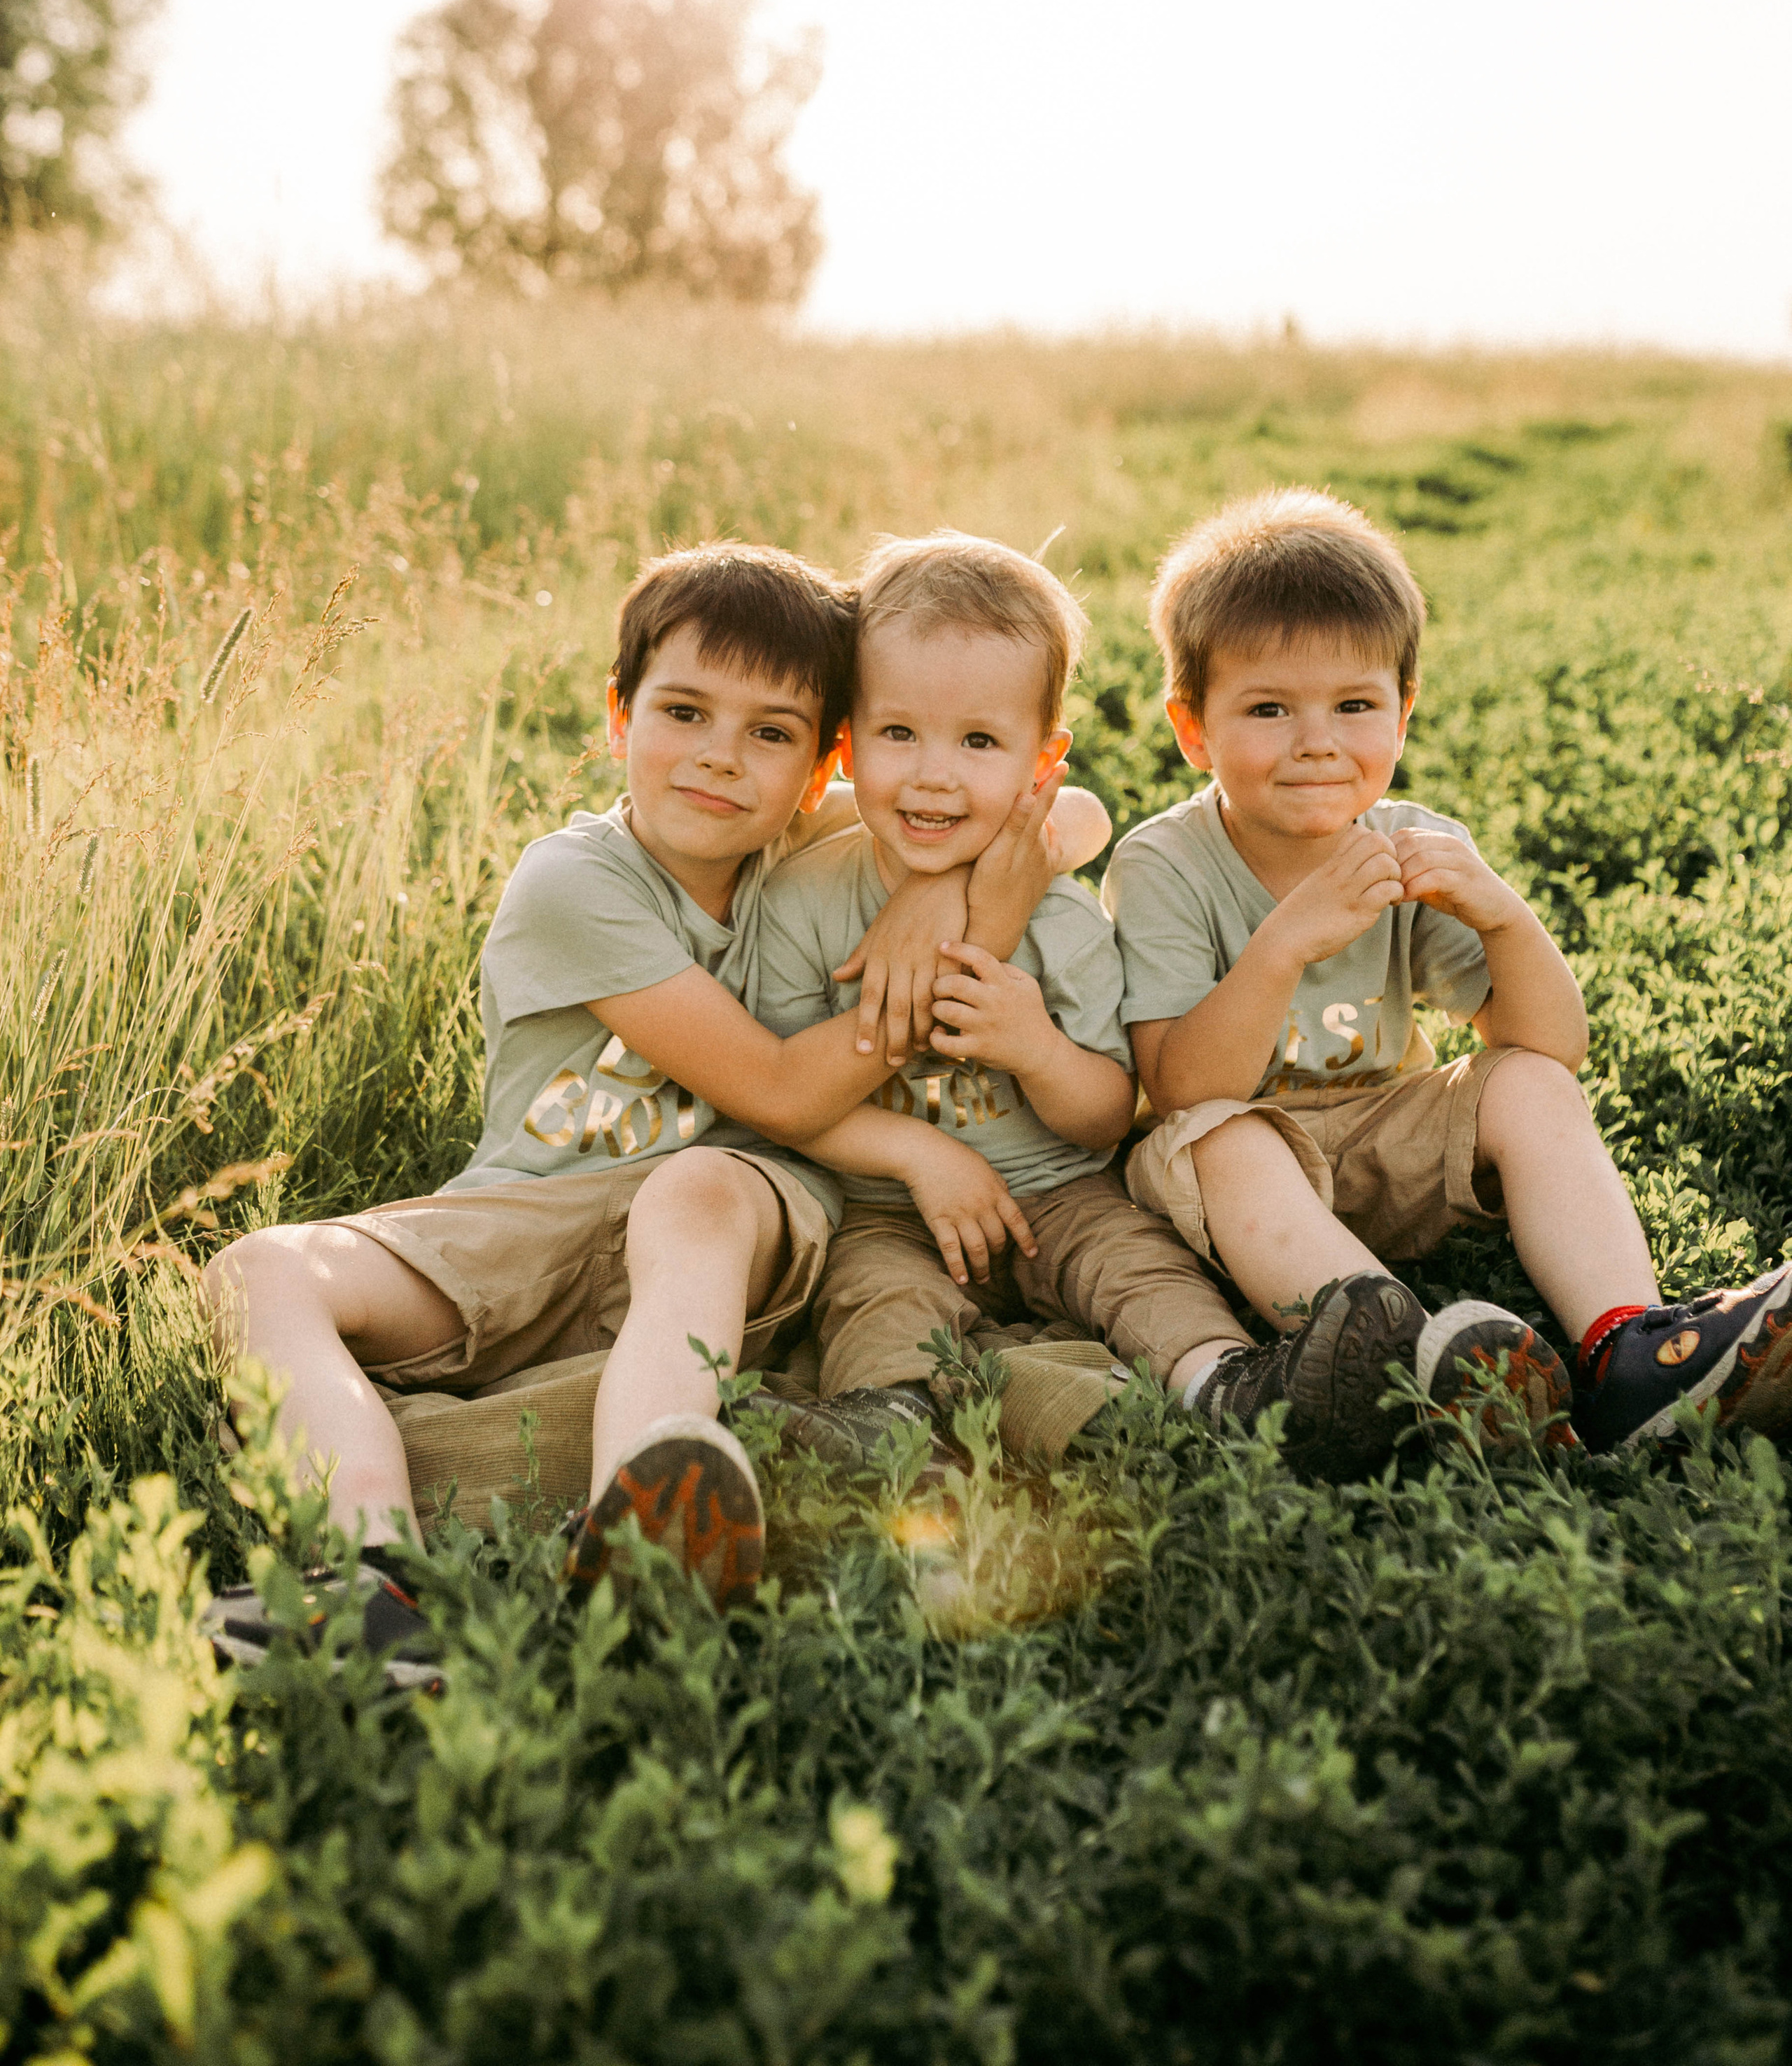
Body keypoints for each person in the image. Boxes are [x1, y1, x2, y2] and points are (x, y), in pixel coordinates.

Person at [201, 539, 1107, 1679]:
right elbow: (777, 1087)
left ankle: (632, 1535)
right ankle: (369, 1577)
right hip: (539, 1217)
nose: (721, 758)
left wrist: (937, 890)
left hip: (732, 1229)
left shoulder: (811, 840)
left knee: (695, 1184)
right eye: (685, 713)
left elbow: (1067, 811)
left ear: (822, 764)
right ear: (620, 717)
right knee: (260, 1271)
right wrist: (954, 934)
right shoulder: (574, 883)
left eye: (771, 733)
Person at [1102, 484, 1792, 1469]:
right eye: (1268, 708)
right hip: (1228, 1186)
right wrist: (1284, 943)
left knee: (1528, 1083)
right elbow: (1181, 1087)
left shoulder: (1411, 842)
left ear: (1404, 713)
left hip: (1384, 1136)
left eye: (1354, 706)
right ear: (1192, 729)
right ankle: (1405, 1363)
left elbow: (1550, 1044)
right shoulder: (1163, 864)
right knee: (1227, 1138)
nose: (1316, 740)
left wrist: (1504, 915)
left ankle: (1628, 1349)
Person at [752, 528, 1419, 1465]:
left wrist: (1035, 1048)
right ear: (848, 741)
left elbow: (1110, 1114)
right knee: (877, 1294)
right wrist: (921, 1163)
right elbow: (779, 1099)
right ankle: (892, 1423)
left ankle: (1224, 1383)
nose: (936, 772)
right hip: (886, 1207)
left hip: (1062, 1190)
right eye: (899, 733)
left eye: (980, 741)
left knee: (1137, 1266)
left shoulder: (1061, 919)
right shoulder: (799, 904)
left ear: (1042, 760)